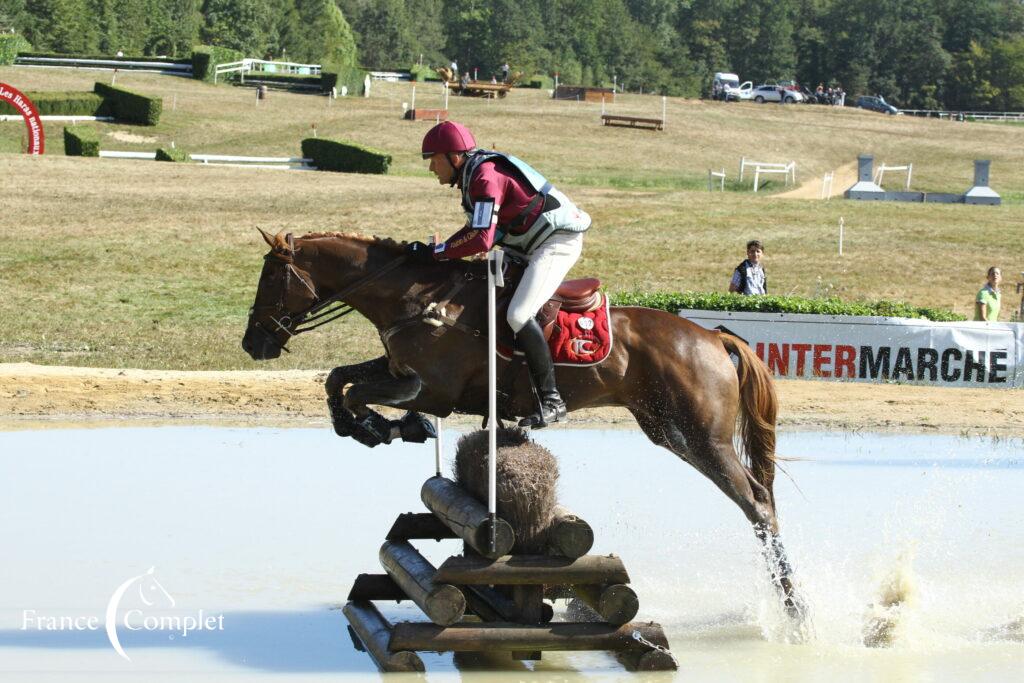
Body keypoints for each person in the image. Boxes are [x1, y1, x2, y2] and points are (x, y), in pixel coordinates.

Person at [408, 121, 592, 428]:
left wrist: (437, 253)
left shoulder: (484, 176)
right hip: (524, 243)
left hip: (555, 241)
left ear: (454, 156)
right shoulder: (473, 175)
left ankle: (552, 400)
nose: (430, 167)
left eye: (433, 159)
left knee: (519, 314)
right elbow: (476, 232)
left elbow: (482, 239)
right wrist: (439, 250)